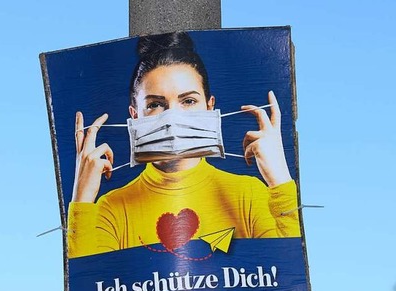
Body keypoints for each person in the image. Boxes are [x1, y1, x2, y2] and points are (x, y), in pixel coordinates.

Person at [67, 32, 300, 258]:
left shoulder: (249, 195)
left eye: (188, 101)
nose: (173, 118)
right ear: (134, 115)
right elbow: (89, 289)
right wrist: (81, 200)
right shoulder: (112, 209)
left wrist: (280, 180)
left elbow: (286, 279)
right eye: (155, 104)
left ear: (210, 107)